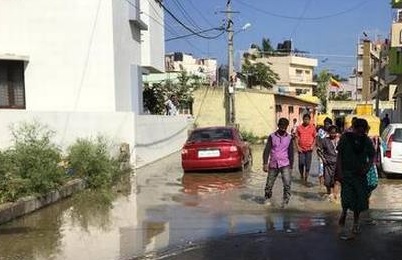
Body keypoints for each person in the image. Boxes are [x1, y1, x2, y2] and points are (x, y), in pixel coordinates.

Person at [336, 118, 375, 237]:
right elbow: (339, 156)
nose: (360, 132)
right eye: (358, 129)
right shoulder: (345, 138)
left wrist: (367, 168)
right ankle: (344, 212)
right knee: (346, 196)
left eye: (363, 129)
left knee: (359, 199)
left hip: (360, 175)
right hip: (347, 173)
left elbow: (372, 156)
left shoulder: (367, 141)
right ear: (354, 128)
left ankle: (356, 223)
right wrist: (339, 172)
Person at [263, 118, 294, 208]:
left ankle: (285, 201)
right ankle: (267, 198)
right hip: (273, 164)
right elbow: (267, 150)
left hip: (285, 164)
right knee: (269, 184)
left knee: (287, 184)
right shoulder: (272, 136)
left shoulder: (289, 138)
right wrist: (265, 163)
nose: (283, 128)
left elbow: (291, 153)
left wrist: (291, 166)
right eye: (282, 126)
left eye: (285, 127)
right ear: (278, 126)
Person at [317, 125, 339, 201]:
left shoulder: (339, 140)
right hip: (328, 163)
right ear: (328, 133)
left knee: (336, 180)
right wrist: (323, 159)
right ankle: (329, 193)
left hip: (337, 163)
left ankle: (335, 196)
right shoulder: (324, 141)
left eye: (334, 133)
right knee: (327, 181)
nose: (333, 134)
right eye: (331, 133)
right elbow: (319, 150)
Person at [295, 113, 316, 185]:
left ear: (310, 120)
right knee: (301, 163)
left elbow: (315, 138)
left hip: (309, 149)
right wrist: (297, 147)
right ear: (303, 119)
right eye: (305, 119)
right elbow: (296, 138)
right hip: (301, 149)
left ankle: (306, 178)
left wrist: (312, 146)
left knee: (308, 164)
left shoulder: (313, 128)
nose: (306, 120)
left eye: (307, 119)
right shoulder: (299, 128)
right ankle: (301, 175)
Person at [316, 117, 333, 188]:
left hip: (331, 154)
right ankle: (321, 185)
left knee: (329, 170)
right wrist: (319, 149)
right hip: (322, 153)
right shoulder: (320, 131)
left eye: (328, 124)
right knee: (321, 169)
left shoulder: (332, 131)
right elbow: (317, 139)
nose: (327, 125)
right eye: (325, 124)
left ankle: (329, 184)